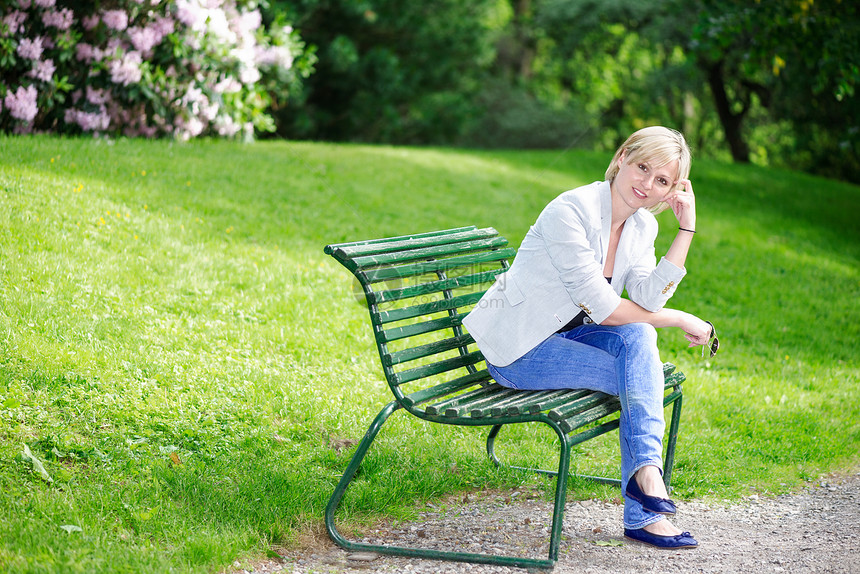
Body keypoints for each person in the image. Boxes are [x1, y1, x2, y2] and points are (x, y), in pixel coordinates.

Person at [463, 126, 714, 549]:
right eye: (642, 167)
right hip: (520, 349)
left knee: (639, 340)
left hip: (573, 337)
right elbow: (608, 308)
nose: (647, 184)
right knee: (639, 373)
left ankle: (646, 481)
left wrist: (684, 231)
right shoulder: (571, 210)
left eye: (663, 181)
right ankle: (646, 507)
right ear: (621, 157)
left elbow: (647, 297)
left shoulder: (640, 228)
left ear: (671, 192)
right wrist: (682, 318)